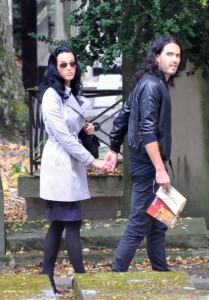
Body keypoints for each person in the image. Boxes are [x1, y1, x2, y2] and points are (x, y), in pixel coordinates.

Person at [105, 35, 185, 272]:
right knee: (138, 225)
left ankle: (162, 272)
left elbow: (124, 115)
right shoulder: (151, 85)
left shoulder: (150, 82)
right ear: (157, 56)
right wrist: (160, 169)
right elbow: (147, 130)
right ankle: (114, 277)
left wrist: (112, 148)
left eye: (178, 55)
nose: (175, 59)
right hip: (149, 167)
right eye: (169, 54)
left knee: (159, 223)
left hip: (150, 165)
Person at [39, 45, 109, 295]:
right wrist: (94, 161)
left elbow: (72, 130)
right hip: (60, 164)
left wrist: (85, 129)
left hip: (69, 164)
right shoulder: (51, 95)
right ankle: (81, 280)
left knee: (60, 224)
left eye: (72, 64)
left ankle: (47, 279)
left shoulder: (70, 93)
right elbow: (64, 137)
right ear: (54, 68)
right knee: (71, 223)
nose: (69, 68)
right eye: (63, 65)